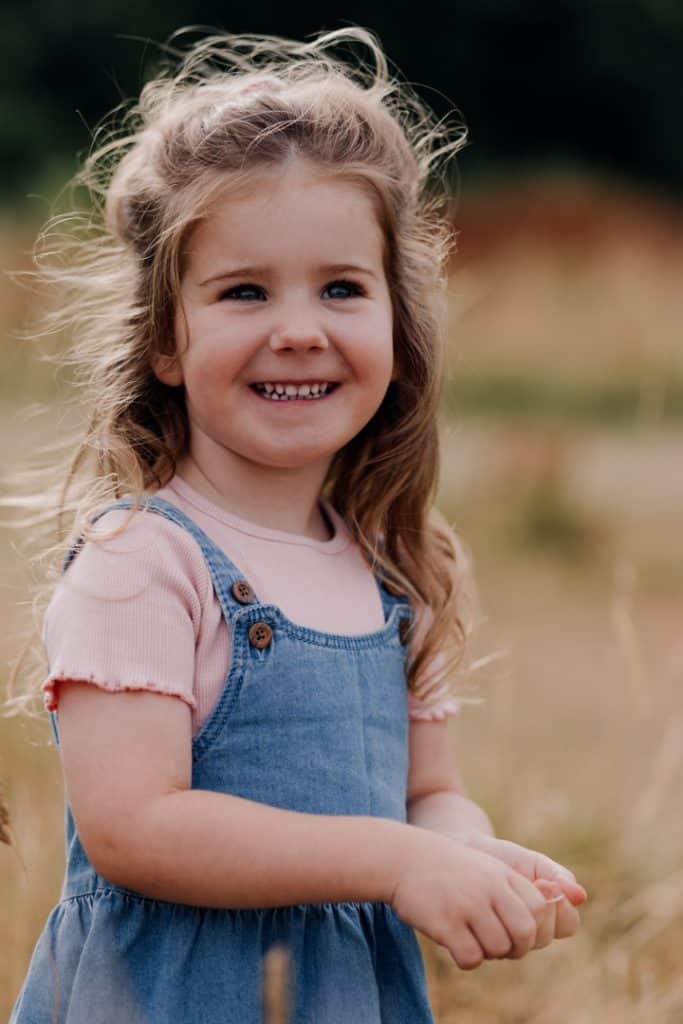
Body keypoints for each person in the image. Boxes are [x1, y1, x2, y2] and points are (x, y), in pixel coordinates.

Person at [8, 26, 587, 1024]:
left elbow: (426, 793)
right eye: (243, 291)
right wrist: (392, 859)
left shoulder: (396, 566)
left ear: (396, 326)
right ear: (163, 340)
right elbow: (134, 826)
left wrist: (463, 849)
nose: (298, 328)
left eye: (340, 287)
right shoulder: (143, 562)